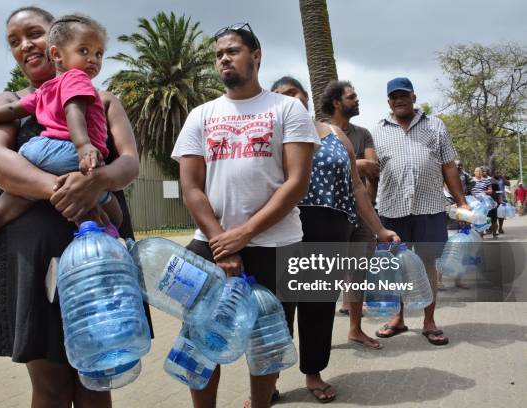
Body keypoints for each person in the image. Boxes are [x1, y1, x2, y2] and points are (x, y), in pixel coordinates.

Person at [0, 7, 145, 407]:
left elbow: (129, 162)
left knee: (98, 379)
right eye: (14, 41)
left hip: (102, 258)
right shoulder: (11, 101)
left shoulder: (103, 99)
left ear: (57, 44)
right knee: (51, 387)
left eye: (34, 33)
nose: (25, 45)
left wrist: (98, 181)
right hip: (34, 258)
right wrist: (65, 189)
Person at [171, 25, 320, 408]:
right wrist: (223, 242)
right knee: (201, 340)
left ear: (256, 56)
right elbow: (191, 188)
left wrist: (245, 234)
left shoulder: (288, 110)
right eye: (219, 53)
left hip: (277, 245)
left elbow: (296, 183)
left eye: (233, 51)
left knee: (267, 342)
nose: (224, 58)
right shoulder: (201, 115)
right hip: (210, 245)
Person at [0, 14, 123, 291]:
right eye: (15, 42)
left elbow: (13, 111)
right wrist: (83, 151)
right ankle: (90, 247)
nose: (93, 60)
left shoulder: (50, 89)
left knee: (4, 207)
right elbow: (73, 112)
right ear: (58, 52)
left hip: (36, 153)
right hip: (63, 154)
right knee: (112, 211)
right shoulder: (77, 80)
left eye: (99, 54)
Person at [271, 76, 399, 402]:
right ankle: (266, 382)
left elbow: (356, 187)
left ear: (306, 99)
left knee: (318, 307)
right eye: (281, 96)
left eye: (294, 94)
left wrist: (380, 228)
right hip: (281, 227)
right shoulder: (268, 135)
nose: (289, 101)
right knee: (275, 311)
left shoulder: (334, 134)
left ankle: (313, 374)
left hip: (328, 227)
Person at [372, 77, 469, 346]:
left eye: (404, 95)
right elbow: (371, 173)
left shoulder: (435, 126)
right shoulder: (378, 131)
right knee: (396, 267)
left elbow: (449, 166)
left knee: (428, 264)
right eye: (393, 96)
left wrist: (461, 201)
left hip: (430, 208)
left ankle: (429, 321)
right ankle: (398, 318)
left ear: (414, 97)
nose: (399, 100)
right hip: (392, 209)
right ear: (388, 101)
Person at [319, 79, 383, 349]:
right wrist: (358, 163)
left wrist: (368, 205)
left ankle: (355, 330)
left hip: (362, 213)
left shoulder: (363, 133)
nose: (357, 100)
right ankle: (318, 338)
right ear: (336, 102)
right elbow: (317, 167)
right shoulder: (318, 131)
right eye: (351, 96)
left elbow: (374, 168)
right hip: (330, 214)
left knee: (358, 273)